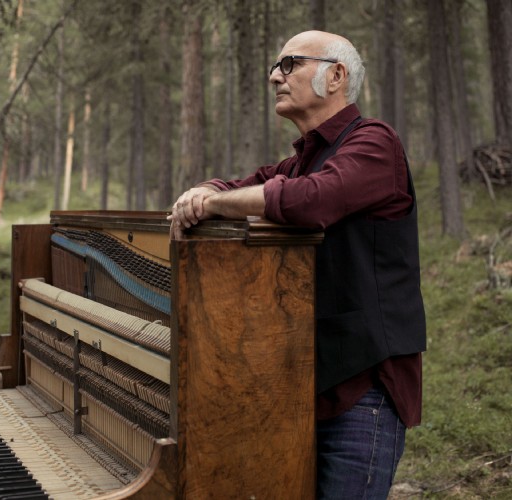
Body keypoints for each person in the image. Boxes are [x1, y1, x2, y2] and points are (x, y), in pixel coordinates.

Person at [168, 30, 426, 499]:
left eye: (289, 65)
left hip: (364, 390)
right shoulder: (302, 158)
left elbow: (309, 201)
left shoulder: (374, 142)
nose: (274, 77)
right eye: (275, 66)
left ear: (336, 76)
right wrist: (204, 190)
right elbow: (247, 184)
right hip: (298, 383)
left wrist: (212, 205)